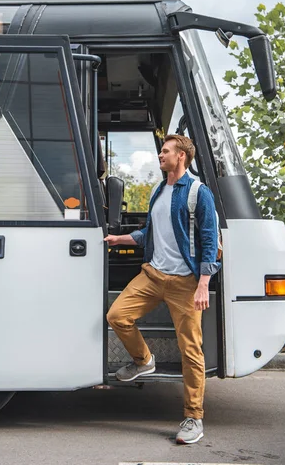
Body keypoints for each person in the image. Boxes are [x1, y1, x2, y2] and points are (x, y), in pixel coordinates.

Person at [105, 134, 219, 445]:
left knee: (191, 351)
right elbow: (150, 233)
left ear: (182, 156)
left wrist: (203, 285)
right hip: (153, 275)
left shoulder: (197, 192)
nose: (160, 155)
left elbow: (209, 240)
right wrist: (122, 239)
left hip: (185, 283)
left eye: (165, 151)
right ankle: (144, 361)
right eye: (160, 151)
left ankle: (194, 418)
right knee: (117, 315)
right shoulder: (160, 190)